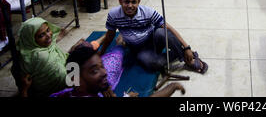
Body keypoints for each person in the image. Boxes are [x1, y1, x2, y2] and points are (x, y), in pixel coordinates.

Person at [99, 0, 208, 75]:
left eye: (133, 2)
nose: (130, 6)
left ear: (139, 2)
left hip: (153, 39)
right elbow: (110, 35)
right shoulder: (113, 15)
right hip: (138, 49)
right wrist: (101, 52)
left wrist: (187, 47)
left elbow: (168, 27)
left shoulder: (147, 11)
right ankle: (182, 54)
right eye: (126, 2)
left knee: (162, 32)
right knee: (152, 63)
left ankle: (188, 59)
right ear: (120, 1)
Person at [15, 17, 111, 97]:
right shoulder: (40, 56)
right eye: (41, 35)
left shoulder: (28, 50)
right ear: (31, 39)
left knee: (82, 49)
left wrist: (72, 53)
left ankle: (105, 37)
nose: (48, 36)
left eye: (48, 30)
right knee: (100, 61)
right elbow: (68, 81)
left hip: (68, 78)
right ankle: (106, 36)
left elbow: (59, 63)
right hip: (62, 88)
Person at [50, 43, 185, 97]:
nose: (104, 73)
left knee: (118, 52)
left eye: (102, 66)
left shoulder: (72, 91)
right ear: (76, 79)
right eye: (94, 71)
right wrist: (171, 88)